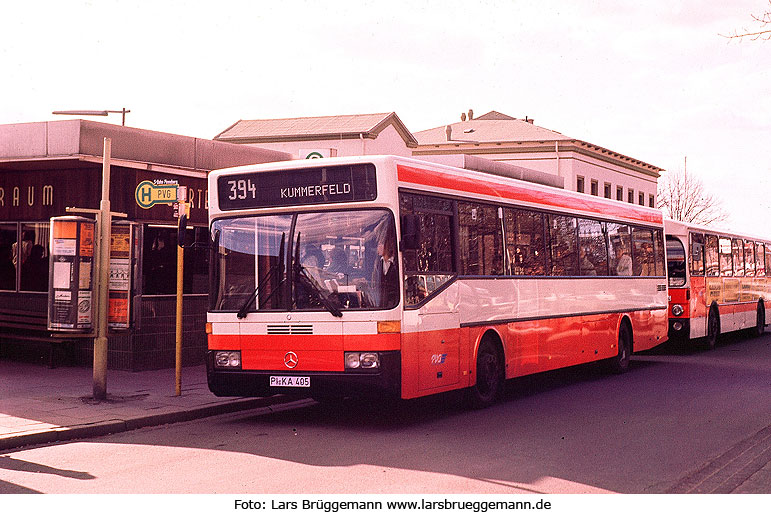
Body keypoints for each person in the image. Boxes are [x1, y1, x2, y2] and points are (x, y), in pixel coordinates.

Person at [370, 230, 398, 307]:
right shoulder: (378, 263)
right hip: (381, 302)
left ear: (387, 246)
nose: (377, 248)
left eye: (380, 244)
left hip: (393, 302)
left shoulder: (396, 263)